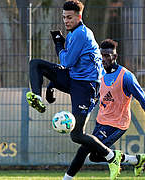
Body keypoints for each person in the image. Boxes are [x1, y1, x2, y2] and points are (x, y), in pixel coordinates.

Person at [26, 1, 123, 179]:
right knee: (36, 64)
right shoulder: (72, 34)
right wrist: (52, 84)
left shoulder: (81, 34)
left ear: (79, 17)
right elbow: (69, 67)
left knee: (77, 135)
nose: (66, 21)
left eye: (69, 17)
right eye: (63, 17)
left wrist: (58, 44)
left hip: (88, 87)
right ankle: (37, 98)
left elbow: (66, 62)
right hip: (75, 80)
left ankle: (112, 156)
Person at [62, 39, 145, 179]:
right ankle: (135, 160)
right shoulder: (99, 74)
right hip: (101, 121)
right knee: (94, 156)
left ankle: (66, 179)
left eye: (107, 55)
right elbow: (95, 99)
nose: (103, 58)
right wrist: (83, 115)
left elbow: (142, 98)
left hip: (117, 123)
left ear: (115, 56)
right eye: (101, 55)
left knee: (84, 150)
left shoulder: (126, 77)